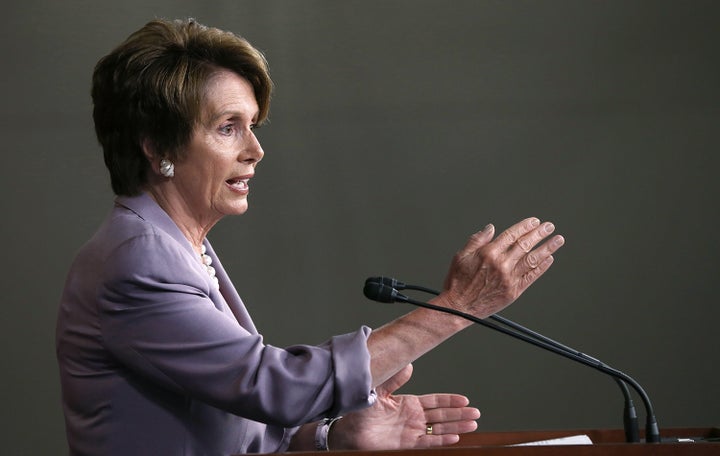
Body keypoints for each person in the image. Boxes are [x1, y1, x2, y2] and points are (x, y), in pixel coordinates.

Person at [55, 18, 565, 456]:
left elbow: (233, 421)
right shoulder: (137, 260)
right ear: (155, 145)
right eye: (228, 127)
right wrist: (459, 305)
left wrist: (332, 436)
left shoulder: (177, 246)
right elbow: (270, 386)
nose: (255, 149)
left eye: (253, 125)